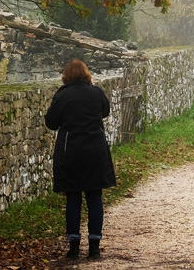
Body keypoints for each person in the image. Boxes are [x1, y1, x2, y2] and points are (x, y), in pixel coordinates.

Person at [45, 58, 117, 260]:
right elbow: (105, 111)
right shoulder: (96, 93)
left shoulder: (63, 95)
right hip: (95, 150)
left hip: (71, 152)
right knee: (95, 197)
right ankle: (94, 247)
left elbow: (51, 122)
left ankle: (74, 247)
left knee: (73, 197)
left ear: (66, 77)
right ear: (86, 75)